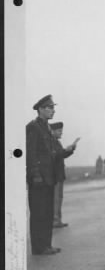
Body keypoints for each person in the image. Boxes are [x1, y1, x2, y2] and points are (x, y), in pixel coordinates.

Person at [26, 95, 61, 255]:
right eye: (50, 107)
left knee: (47, 212)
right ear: (40, 109)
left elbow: (51, 153)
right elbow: (31, 153)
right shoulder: (33, 127)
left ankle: (46, 245)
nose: (53, 110)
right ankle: (39, 247)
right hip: (39, 178)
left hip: (48, 177)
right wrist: (35, 174)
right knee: (39, 213)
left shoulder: (46, 127)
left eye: (53, 107)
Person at [50, 122, 79, 228]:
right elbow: (55, 155)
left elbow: (61, 155)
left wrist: (71, 149)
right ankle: (55, 220)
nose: (61, 133)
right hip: (55, 175)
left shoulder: (56, 142)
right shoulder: (50, 142)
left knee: (58, 198)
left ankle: (57, 219)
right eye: (59, 131)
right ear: (52, 131)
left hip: (58, 175)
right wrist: (66, 150)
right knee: (56, 198)